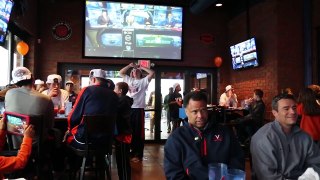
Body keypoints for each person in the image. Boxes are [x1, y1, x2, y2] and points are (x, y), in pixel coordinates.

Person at [164, 91, 245, 179]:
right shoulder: (177, 138)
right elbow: (173, 173)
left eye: (203, 110)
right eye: (195, 111)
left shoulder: (225, 133)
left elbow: (237, 160)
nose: (200, 116)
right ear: (186, 112)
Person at [250, 93, 320, 179]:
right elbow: (268, 176)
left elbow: (316, 163)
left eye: (294, 108)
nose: (293, 112)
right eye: (286, 109)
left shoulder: (305, 137)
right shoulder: (263, 138)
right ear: (275, 113)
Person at [65, 69, 118, 150]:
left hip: (85, 140)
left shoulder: (87, 90)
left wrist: (70, 129)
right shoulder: (114, 95)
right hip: (106, 141)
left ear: (93, 79)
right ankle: (99, 161)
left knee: (67, 138)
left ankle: (78, 162)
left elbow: (73, 116)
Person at [119, 62, 154, 162]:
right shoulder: (129, 80)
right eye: (133, 71)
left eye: (136, 70)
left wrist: (142, 67)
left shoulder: (143, 81)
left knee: (138, 133)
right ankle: (130, 152)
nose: (134, 71)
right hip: (129, 109)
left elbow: (152, 73)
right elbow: (121, 73)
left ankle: (138, 154)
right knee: (129, 131)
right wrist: (129, 66)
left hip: (139, 109)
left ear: (140, 72)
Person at [114, 82, 133, 180]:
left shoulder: (122, 100)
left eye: (115, 89)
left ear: (120, 91)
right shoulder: (124, 100)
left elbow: (114, 111)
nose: (114, 91)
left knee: (123, 160)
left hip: (123, 134)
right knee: (121, 159)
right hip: (123, 133)